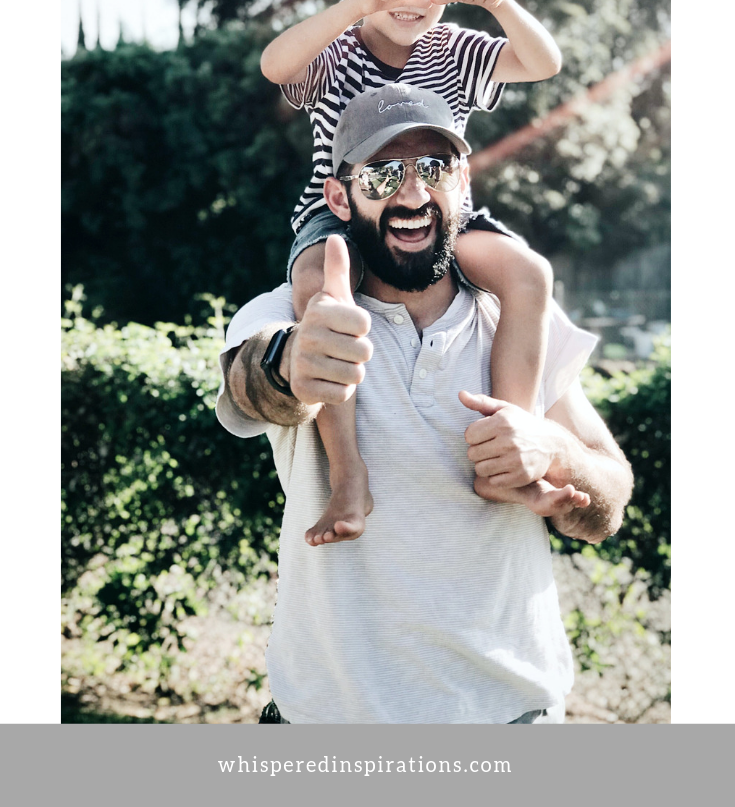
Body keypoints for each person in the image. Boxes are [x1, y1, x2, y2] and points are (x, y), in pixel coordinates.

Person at [216, 87, 633, 725]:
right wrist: (291, 364)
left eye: (433, 169)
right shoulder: (296, 313)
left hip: (513, 723)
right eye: (383, 174)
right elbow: (251, 386)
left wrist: (555, 454)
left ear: (463, 184)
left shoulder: (517, 322)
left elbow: (610, 498)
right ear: (339, 197)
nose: (411, 194)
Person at [260, 0, 573, 547]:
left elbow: (545, 62)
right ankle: (348, 473)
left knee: (528, 273)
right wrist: (357, 7)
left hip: (442, 217)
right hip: (344, 214)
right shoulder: (335, 50)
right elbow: (275, 65)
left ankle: (506, 445)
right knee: (320, 281)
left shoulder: (456, 48)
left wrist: (499, 1)